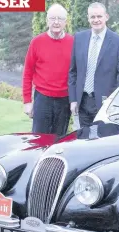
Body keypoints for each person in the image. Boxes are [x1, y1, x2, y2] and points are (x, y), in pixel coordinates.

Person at [68, 2, 119, 127]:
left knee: (104, 142)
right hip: (83, 102)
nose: (96, 20)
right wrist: (73, 99)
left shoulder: (118, 42)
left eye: (99, 16)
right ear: (88, 18)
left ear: (106, 17)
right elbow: (73, 71)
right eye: (92, 17)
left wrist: (115, 100)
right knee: (84, 140)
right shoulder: (79, 38)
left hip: (105, 103)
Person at [22, 3, 73, 136]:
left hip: (64, 101)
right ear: (47, 20)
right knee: (38, 140)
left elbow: (77, 74)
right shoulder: (37, 42)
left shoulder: (73, 43)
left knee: (58, 141)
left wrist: (75, 100)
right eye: (52, 18)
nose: (56, 22)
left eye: (60, 19)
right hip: (43, 99)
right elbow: (27, 73)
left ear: (65, 22)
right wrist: (27, 101)